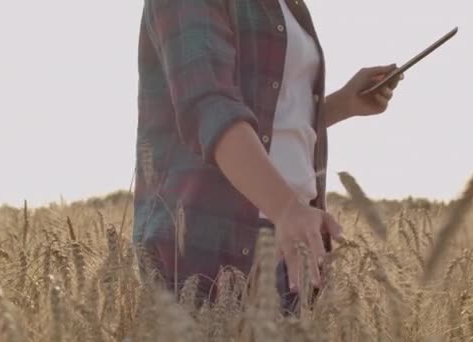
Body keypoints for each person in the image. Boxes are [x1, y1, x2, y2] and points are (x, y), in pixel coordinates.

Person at [133, 0, 402, 312]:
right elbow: (209, 107)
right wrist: (285, 207)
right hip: (211, 241)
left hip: (293, 239)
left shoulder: (288, 6)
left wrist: (344, 103)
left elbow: (274, 118)